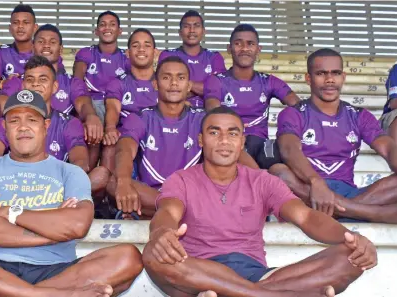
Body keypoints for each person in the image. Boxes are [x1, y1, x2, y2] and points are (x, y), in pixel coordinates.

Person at [0, 90, 143, 297]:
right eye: (15, 121)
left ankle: (8, 294)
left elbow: (78, 225)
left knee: (128, 257)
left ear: (46, 126)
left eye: (31, 120)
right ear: (4, 127)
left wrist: (11, 213)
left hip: (56, 270)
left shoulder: (70, 172)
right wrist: (55, 227)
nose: (23, 127)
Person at [142, 106, 375, 297]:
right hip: (200, 272)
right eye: (214, 133)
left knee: (350, 257)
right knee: (154, 253)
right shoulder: (181, 179)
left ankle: (246, 293)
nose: (224, 140)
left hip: (257, 274)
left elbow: (305, 216)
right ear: (201, 140)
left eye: (232, 133)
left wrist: (351, 238)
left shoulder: (262, 181)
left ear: (242, 142)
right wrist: (162, 232)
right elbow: (167, 213)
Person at [269, 48, 397, 225]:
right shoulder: (294, 113)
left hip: (351, 194)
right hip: (308, 190)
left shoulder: (358, 115)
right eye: (321, 73)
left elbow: (389, 148)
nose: (330, 79)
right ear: (308, 78)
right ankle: (377, 214)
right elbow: (289, 149)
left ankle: (342, 211)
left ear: (343, 77)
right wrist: (315, 181)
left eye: (336, 73)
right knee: (277, 173)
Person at [0, 25, 103, 168]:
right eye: (41, 41)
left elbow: (84, 104)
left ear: (61, 49)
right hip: (21, 137)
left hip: (60, 136)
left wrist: (91, 116)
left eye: (52, 42)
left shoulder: (71, 82)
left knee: (90, 127)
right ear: (33, 47)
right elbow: (1, 103)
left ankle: (83, 182)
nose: (46, 45)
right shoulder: (19, 81)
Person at [106, 56, 206, 219]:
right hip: (151, 193)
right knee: (113, 184)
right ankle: (180, 214)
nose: (174, 83)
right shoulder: (140, 117)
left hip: (190, 194)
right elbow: (125, 149)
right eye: (166, 77)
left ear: (188, 86)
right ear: (155, 84)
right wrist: (123, 181)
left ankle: (150, 213)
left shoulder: (203, 118)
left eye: (180, 78)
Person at [202, 24, 300, 169]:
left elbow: (298, 106)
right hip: (230, 141)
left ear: (258, 49)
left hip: (261, 145)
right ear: (229, 49)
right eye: (238, 43)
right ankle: (261, 179)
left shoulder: (268, 81)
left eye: (250, 44)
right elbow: (213, 109)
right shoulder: (217, 80)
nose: (244, 48)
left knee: (279, 161)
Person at [0, 60, 90, 175]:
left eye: (43, 79)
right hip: (13, 184)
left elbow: (80, 161)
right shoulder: (9, 120)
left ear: (55, 87)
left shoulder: (69, 123)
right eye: (29, 80)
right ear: (23, 86)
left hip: (53, 186)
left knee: (99, 175)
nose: (35, 84)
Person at [74, 11, 130, 168]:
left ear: (120, 31)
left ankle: (104, 185)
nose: (107, 28)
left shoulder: (127, 59)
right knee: (93, 132)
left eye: (112, 24)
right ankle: (86, 178)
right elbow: (77, 81)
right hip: (92, 102)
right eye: (103, 24)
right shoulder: (86, 53)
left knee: (112, 143)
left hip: (117, 106)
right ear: (96, 31)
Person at [102, 28, 159, 172]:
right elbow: (113, 108)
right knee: (111, 144)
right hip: (127, 137)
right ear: (127, 53)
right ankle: (109, 188)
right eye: (135, 45)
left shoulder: (165, 82)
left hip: (159, 137)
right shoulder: (118, 83)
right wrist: (110, 128)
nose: (141, 49)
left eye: (147, 45)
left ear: (155, 52)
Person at [158, 10, 226, 108]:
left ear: (203, 31)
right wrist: (204, 89)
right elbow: (165, 89)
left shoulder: (214, 57)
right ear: (180, 32)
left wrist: (185, 85)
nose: (192, 30)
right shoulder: (168, 56)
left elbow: (221, 90)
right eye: (187, 26)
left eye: (196, 26)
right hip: (177, 111)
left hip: (208, 112)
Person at [0, 4, 38, 92]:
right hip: (7, 99)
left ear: (35, 28)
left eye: (26, 22)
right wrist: (5, 83)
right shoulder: (1, 51)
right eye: (16, 23)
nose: (20, 26)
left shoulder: (42, 51)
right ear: (10, 28)